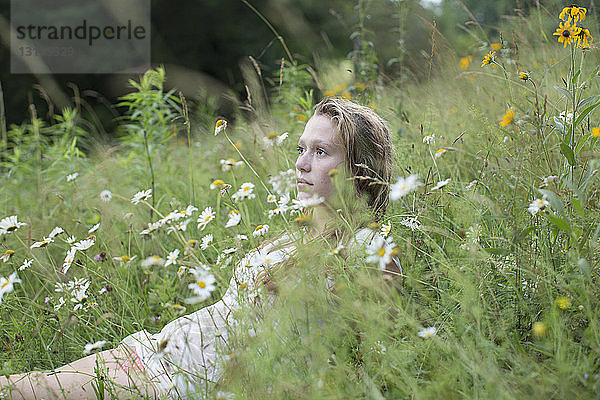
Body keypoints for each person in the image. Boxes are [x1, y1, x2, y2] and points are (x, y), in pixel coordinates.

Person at [0, 97, 400, 399]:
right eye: (300, 148)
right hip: (165, 348)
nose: (300, 164)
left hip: (191, 380)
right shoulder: (295, 235)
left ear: (359, 169)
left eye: (320, 151)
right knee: (31, 385)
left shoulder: (367, 249)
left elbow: (369, 355)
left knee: (30, 391)